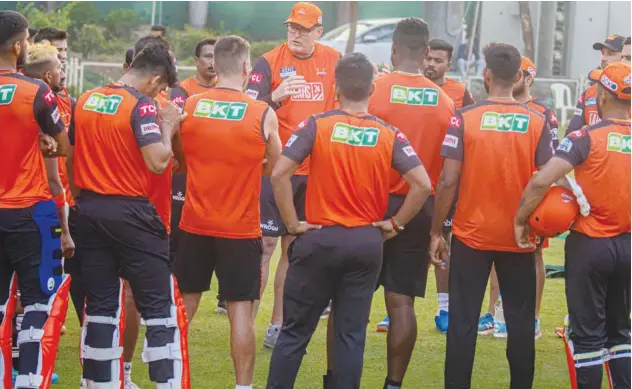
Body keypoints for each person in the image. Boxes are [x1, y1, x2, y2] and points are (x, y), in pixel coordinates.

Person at [265, 51, 431, 389]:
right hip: (364, 243)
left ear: (335, 88)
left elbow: (279, 173)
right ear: (372, 89)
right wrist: (396, 224)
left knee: (295, 332)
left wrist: (293, 223)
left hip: (320, 238)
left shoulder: (317, 125)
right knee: (350, 334)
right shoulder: (389, 133)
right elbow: (423, 185)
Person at [429, 43, 554, 389]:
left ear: (486, 75)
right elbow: (546, 180)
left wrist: (436, 231)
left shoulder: (464, 117)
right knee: (520, 322)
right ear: (517, 77)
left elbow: (448, 179)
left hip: (471, 236)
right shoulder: (538, 121)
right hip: (519, 237)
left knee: (463, 323)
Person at [68, 41, 190, 388]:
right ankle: (166, 383)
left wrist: (81, 199)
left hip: (88, 209)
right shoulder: (143, 106)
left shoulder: (86, 99)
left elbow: (70, 156)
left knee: (102, 306)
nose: (161, 93)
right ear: (154, 80)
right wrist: (168, 125)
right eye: (163, 87)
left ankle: (98, 383)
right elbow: (158, 160)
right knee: (158, 307)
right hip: (131, 212)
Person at [173, 35, 281, 389]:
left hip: (194, 222)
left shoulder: (192, 106)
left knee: (185, 304)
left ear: (214, 66)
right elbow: (276, 166)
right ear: (249, 69)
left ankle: (172, 379)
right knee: (239, 309)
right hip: (240, 227)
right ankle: (243, 386)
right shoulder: (263, 112)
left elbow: (180, 159)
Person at [514, 62, 631, 389]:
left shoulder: (584, 137)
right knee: (621, 332)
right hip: (628, 246)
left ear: (602, 94)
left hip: (590, 245)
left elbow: (541, 181)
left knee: (588, 334)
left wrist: (521, 220)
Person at [244, 1, 341, 348]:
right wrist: (274, 97)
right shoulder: (268, 61)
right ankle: (246, 323)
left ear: (318, 32)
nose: (295, 35)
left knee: (295, 248)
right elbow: (248, 110)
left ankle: (279, 325)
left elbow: (345, 108)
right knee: (264, 246)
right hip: (275, 170)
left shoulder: (333, 60)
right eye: (291, 28)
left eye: (303, 29)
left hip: (315, 172)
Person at [366, 18, 454, 389]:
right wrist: (437, 229)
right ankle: (394, 383)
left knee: (347, 299)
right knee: (401, 304)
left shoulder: (373, 91)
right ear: (424, 53)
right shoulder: (447, 102)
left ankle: (338, 379)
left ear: (394, 49)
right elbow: (450, 172)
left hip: (367, 204)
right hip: (419, 208)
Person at [0, 11, 71, 389]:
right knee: (38, 300)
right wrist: (45, 142)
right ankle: (29, 378)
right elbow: (61, 144)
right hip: (31, 211)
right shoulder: (36, 91)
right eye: (26, 40)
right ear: (17, 46)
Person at [475, 56, 562, 339]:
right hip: (497, 192)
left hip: (531, 194)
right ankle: (492, 311)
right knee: (496, 250)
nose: (515, 77)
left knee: (534, 252)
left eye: (522, 73)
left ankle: (533, 317)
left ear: (528, 79)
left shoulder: (543, 113)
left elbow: (552, 159)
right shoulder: (496, 108)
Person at [411, 37, 475, 334]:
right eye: (428, 58)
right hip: (409, 182)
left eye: (438, 60)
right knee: (407, 245)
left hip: (444, 183)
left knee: (441, 243)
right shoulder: (407, 87)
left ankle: (444, 308)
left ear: (449, 64)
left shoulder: (461, 93)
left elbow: (471, 134)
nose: (430, 64)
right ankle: (399, 305)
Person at [567, 35, 624, 134]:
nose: (603, 58)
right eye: (602, 53)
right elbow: (570, 134)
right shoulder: (589, 93)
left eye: (610, 54)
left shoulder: (628, 93)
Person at [170, 38, 217, 109]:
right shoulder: (183, 88)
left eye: (217, 57)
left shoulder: (227, 88)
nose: (213, 62)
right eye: (208, 56)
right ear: (197, 60)